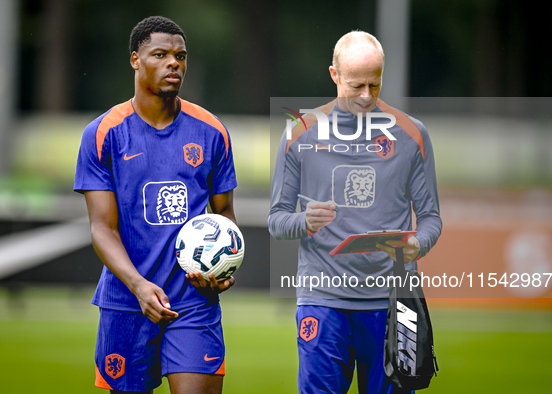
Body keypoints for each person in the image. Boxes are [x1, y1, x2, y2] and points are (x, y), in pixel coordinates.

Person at [269, 31, 442, 393]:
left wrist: (418, 245)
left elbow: (430, 219)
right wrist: (304, 221)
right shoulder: (299, 132)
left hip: (393, 300)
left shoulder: (412, 134)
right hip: (323, 300)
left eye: (374, 85)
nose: (366, 95)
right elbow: (276, 220)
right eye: (356, 85)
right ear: (334, 75)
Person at [74, 16, 237, 394]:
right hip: (126, 301)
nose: (173, 64)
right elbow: (102, 228)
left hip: (194, 300)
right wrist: (138, 285)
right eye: (160, 54)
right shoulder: (102, 133)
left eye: (180, 56)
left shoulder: (211, 130)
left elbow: (224, 213)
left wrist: (225, 266)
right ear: (135, 59)